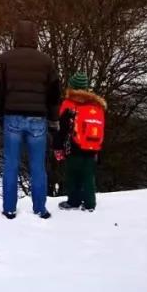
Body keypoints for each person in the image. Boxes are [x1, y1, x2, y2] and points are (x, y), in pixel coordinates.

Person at [0, 20, 61, 220]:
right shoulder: (46, 61)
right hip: (38, 118)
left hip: (12, 116)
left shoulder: (5, 59)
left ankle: (9, 208)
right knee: (38, 166)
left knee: (11, 164)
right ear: (35, 38)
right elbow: (54, 93)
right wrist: (54, 119)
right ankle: (40, 208)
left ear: (15, 37)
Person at [54, 71, 106, 212]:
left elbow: (62, 128)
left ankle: (74, 201)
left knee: (72, 175)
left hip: (74, 146)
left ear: (72, 87)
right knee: (88, 176)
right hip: (93, 147)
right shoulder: (97, 105)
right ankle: (90, 204)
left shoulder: (68, 104)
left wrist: (58, 147)